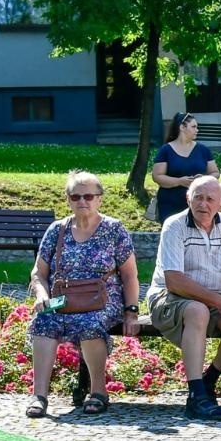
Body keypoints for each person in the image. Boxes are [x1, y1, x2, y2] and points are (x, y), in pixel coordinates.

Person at [25, 171, 139, 417]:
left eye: (88, 196)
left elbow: (130, 275)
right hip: (63, 299)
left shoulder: (114, 229)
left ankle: (98, 391)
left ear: (99, 199)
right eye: (75, 196)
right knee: (44, 320)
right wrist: (41, 295)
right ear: (68, 199)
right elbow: (38, 273)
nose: (82, 201)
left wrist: (131, 311)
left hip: (102, 301)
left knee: (90, 324)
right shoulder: (57, 230)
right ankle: (39, 396)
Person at [145, 174, 221, 421]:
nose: (203, 204)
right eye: (198, 197)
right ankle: (196, 397)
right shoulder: (174, 225)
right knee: (197, 310)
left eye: (210, 199)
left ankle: (207, 382)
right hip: (168, 296)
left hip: (213, 298)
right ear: (188, 199)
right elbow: (174, 281)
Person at [151, 112, 219, 222]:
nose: (197, 130)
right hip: (170, 203)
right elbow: (157, 176)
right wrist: (179, 181)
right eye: (193, 127)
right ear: (182, 127)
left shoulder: (203, 150)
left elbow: (215, 173)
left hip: (197, 204)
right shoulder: (166, 150)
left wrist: (203, 179)